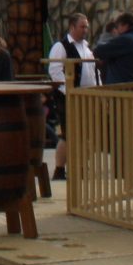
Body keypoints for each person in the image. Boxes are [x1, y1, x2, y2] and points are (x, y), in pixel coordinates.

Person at [45, 13, 96, 181]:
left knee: (86, 134)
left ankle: (81, 168)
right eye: (82, 26)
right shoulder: (61, 46)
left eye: (86, 27)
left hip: (87, 96)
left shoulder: (86, 47)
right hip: (69, 98)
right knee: (68, 135)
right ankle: (60, 170)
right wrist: (70, 91)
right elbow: (55, 71)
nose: (85, 30)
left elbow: (93, 71)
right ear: (72, 27)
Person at [94, 13, 133, 86]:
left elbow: (99, 51)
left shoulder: (126, 40)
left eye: (117, 26)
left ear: (125, 26)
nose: (116, 30)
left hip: (123, 87)